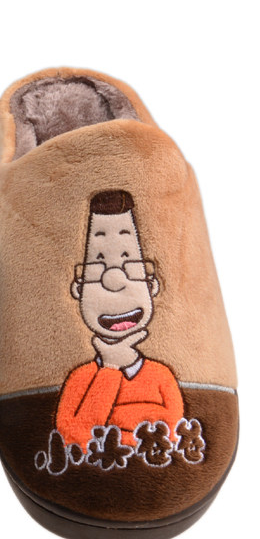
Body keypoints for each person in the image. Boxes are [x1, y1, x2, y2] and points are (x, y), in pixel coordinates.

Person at [56, 190, 184, 449]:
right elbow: (72, 434)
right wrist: (111, 368)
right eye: (98, 269)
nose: (114, 281)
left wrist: (111, 423)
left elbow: (172, 429)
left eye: (130, 266)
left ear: (152, 285)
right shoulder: (81, 377)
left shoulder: (161, 375)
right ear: (78, 289)